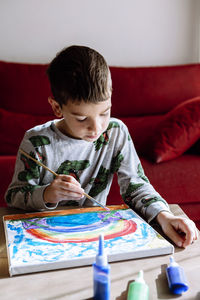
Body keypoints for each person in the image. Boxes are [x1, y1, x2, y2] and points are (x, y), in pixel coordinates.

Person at [5, 45, 198, 248]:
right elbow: (14, 196)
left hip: (94, 237)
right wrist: (47, 194)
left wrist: (165, 217)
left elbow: (136, 186)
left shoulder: (116, 132)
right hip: (43, 239)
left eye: (105, 112)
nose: (96, 128)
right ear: (56, 107)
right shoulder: (35, 142)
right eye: (81, 118)